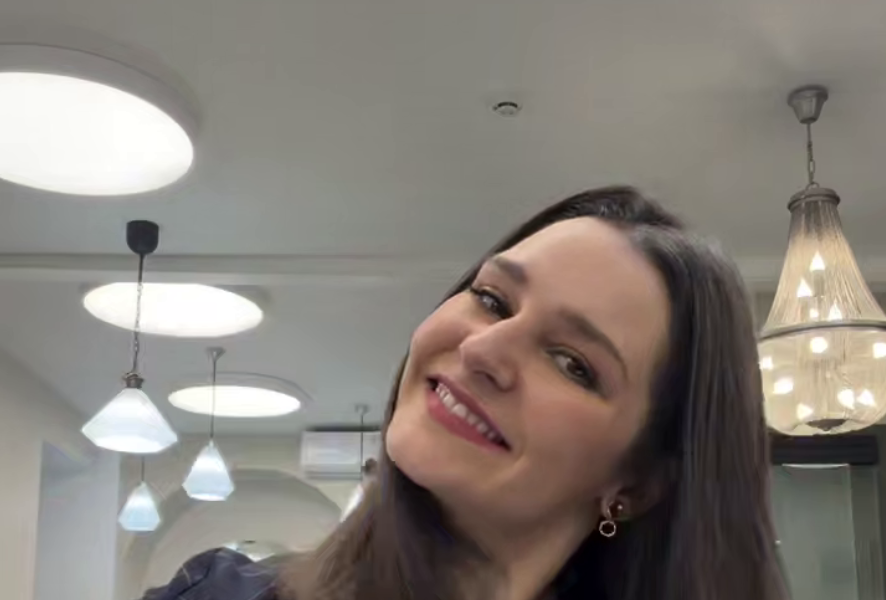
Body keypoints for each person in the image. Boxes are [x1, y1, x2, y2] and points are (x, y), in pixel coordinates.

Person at [143, 186, 787, 600]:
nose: (483, 350)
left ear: (638, 483)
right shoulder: (214, 592)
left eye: (571, 363)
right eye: (492, 299)